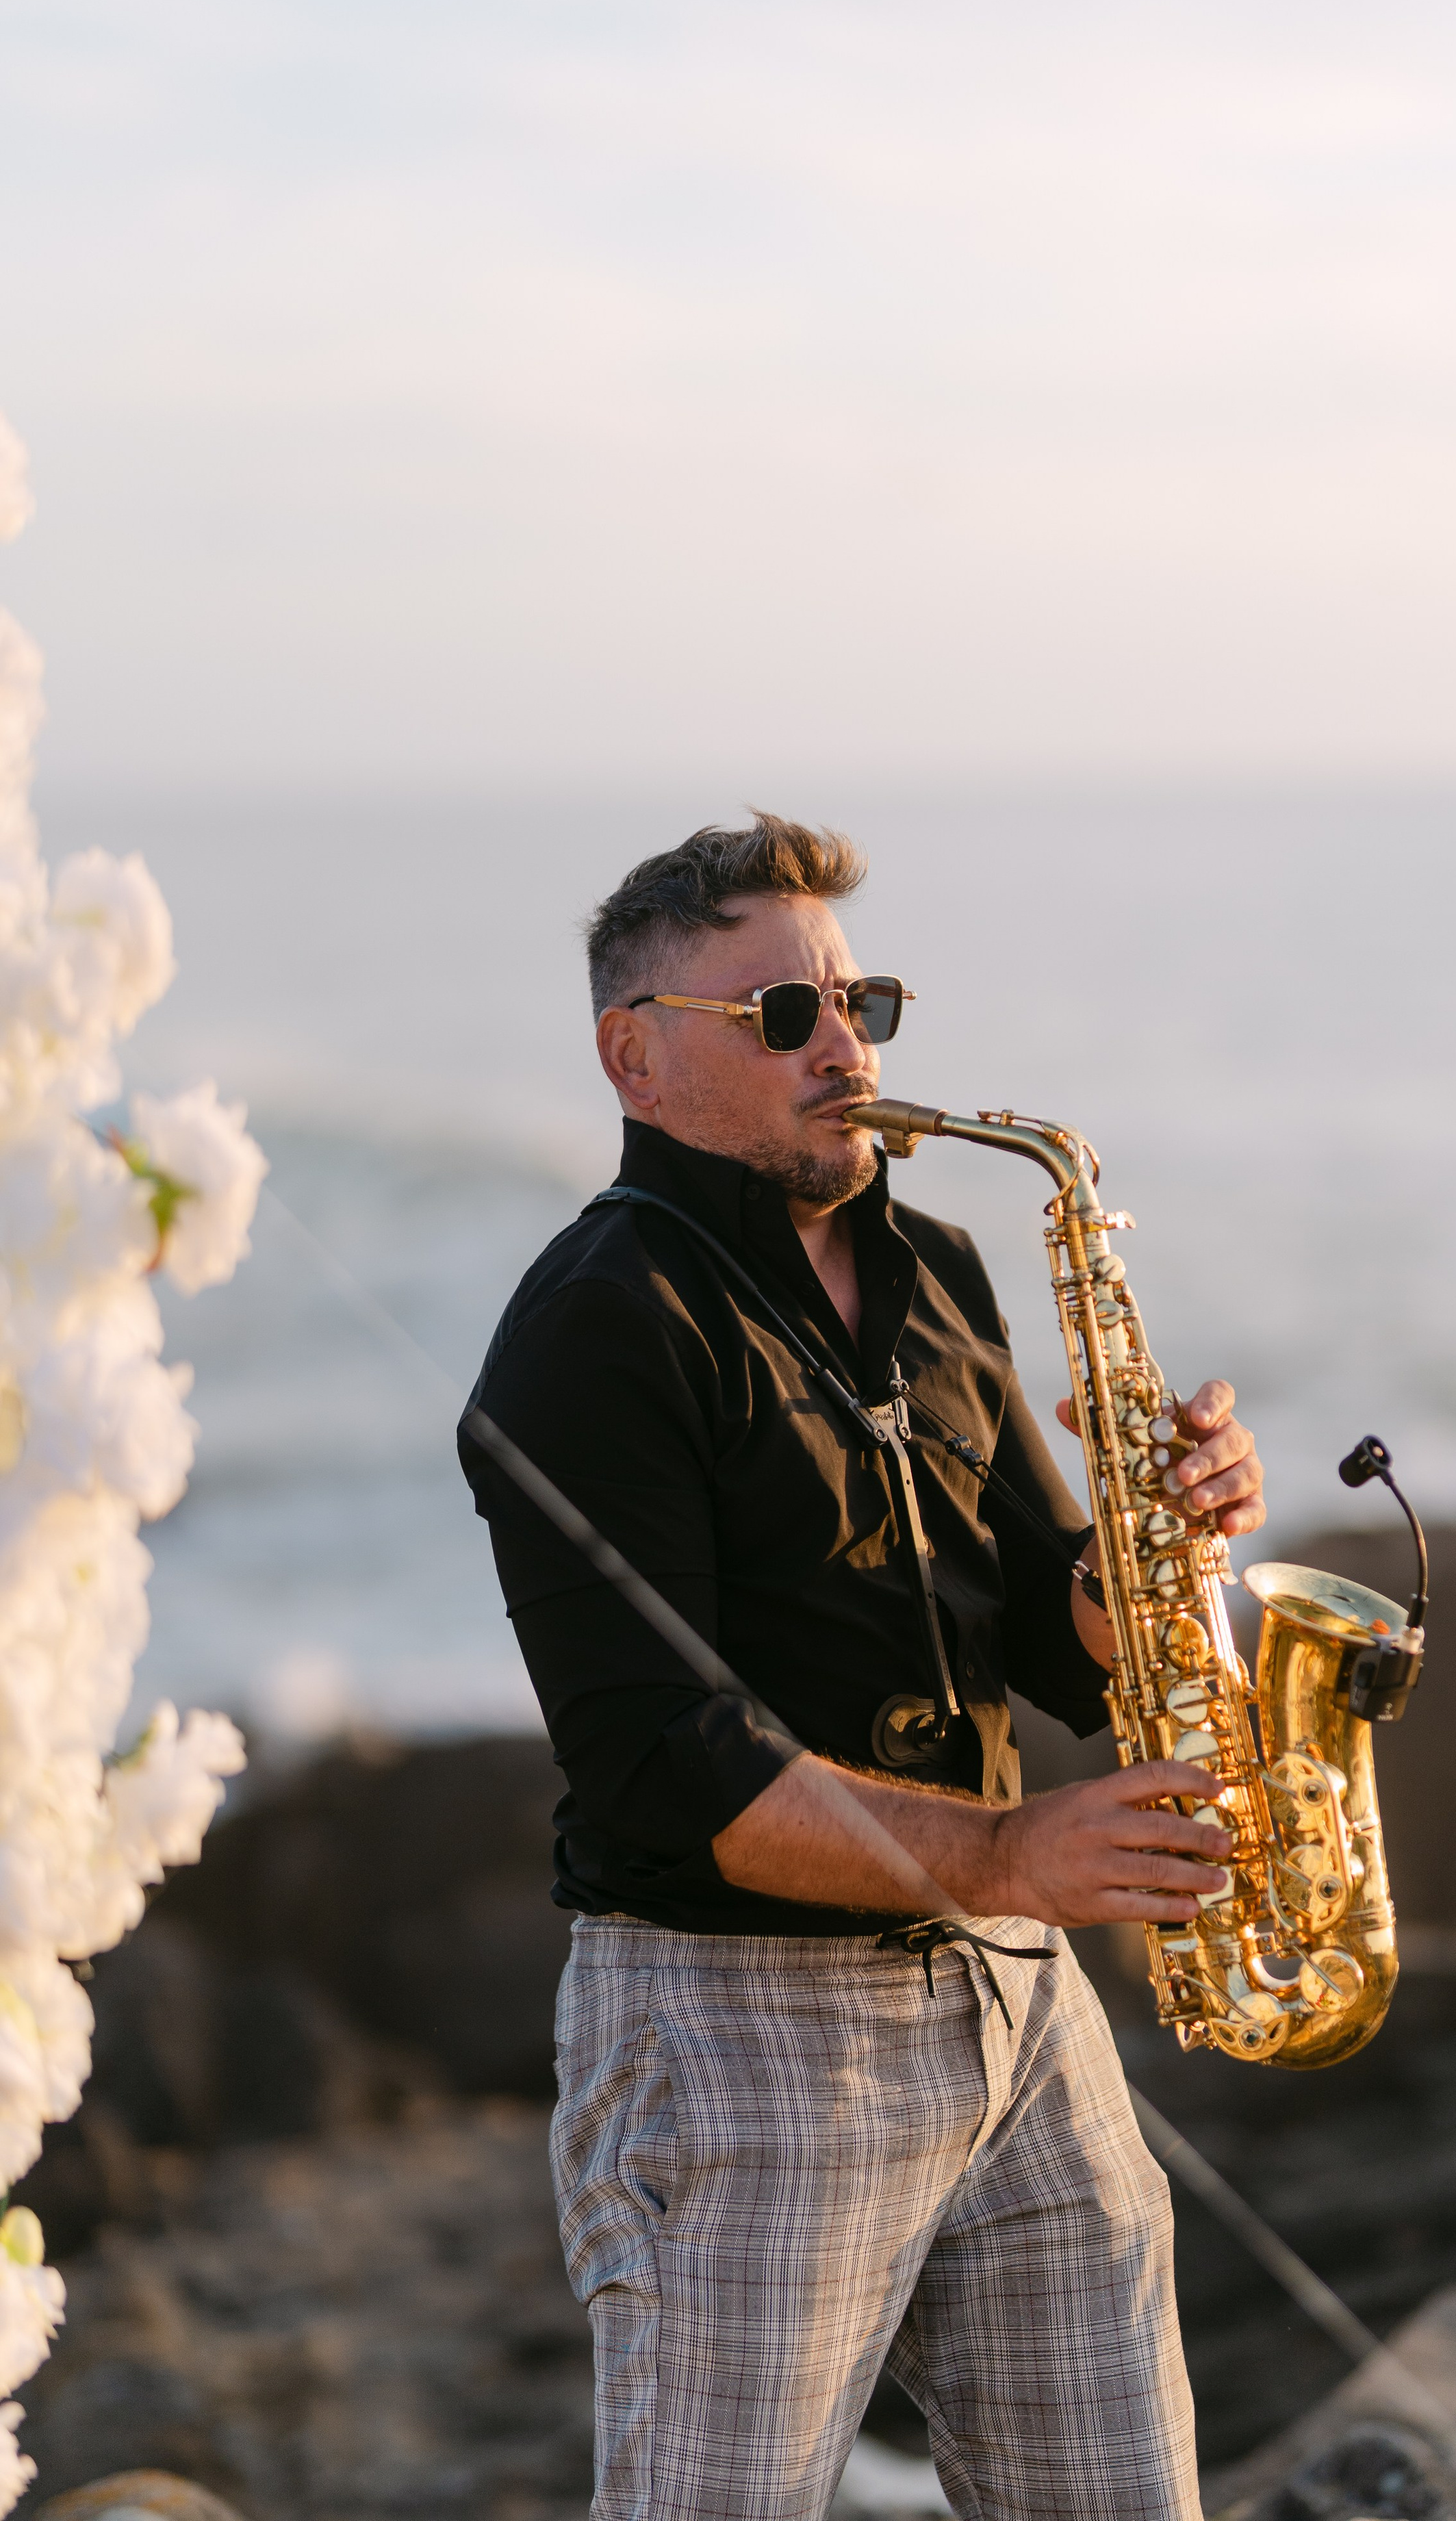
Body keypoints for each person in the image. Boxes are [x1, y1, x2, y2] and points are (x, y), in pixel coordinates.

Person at [459, 812, 1266, 2521]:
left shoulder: (940, 1267)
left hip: (1012, 2003)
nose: (847, 1051)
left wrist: (1166, 1545)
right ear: (636, 1057)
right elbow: (666, 1761)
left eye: (858, 1003)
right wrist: (1007, 1854)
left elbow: (1063, 1631)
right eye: (783, 1017)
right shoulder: (594, 1328)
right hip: (736, 2025)